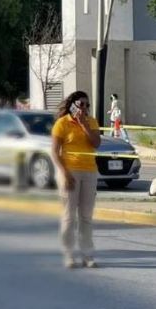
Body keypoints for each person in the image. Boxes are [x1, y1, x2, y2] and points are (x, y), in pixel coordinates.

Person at [51, 91, 102, 269]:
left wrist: (84, 125)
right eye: (81, 104)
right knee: (69, 217)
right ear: (73, 105)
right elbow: (55, 152)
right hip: (69, 171)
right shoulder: (62, 124)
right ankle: (69, 254)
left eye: (87, 105)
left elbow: (96, 143)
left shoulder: (91, 121)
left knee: (86, 217)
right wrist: (65, 174)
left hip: (89, 171)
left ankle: (88, 255)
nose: (85, 108)